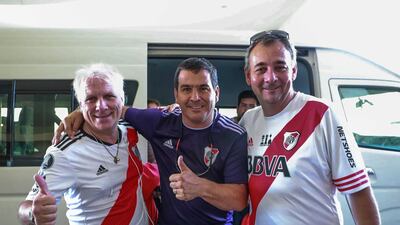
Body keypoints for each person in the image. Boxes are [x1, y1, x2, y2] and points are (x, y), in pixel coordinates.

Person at [53, 58, 248, 225]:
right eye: (186, 89)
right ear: (176, 95)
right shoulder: (160, 121)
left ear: (217, 92)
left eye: (203, 89)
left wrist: (200, 187)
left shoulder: (233, 135)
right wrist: (81, 112)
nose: (195, 97)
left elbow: (239, 200)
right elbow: (115, 108)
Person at [239, 29, 381, 225]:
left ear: (294, 70)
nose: (270, 77)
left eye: (280, 67)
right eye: (261, 69)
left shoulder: (323, 114)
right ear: (249, 76)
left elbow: (359, 193)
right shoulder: (247, 121)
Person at [18, 64, 159, 225]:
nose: (101, 106)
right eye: (91, 99)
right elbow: (26, 206)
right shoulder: (65, 152)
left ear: (122, 99)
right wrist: (32, 213)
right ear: (81, 104)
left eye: (109, 96)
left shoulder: (131, 128)